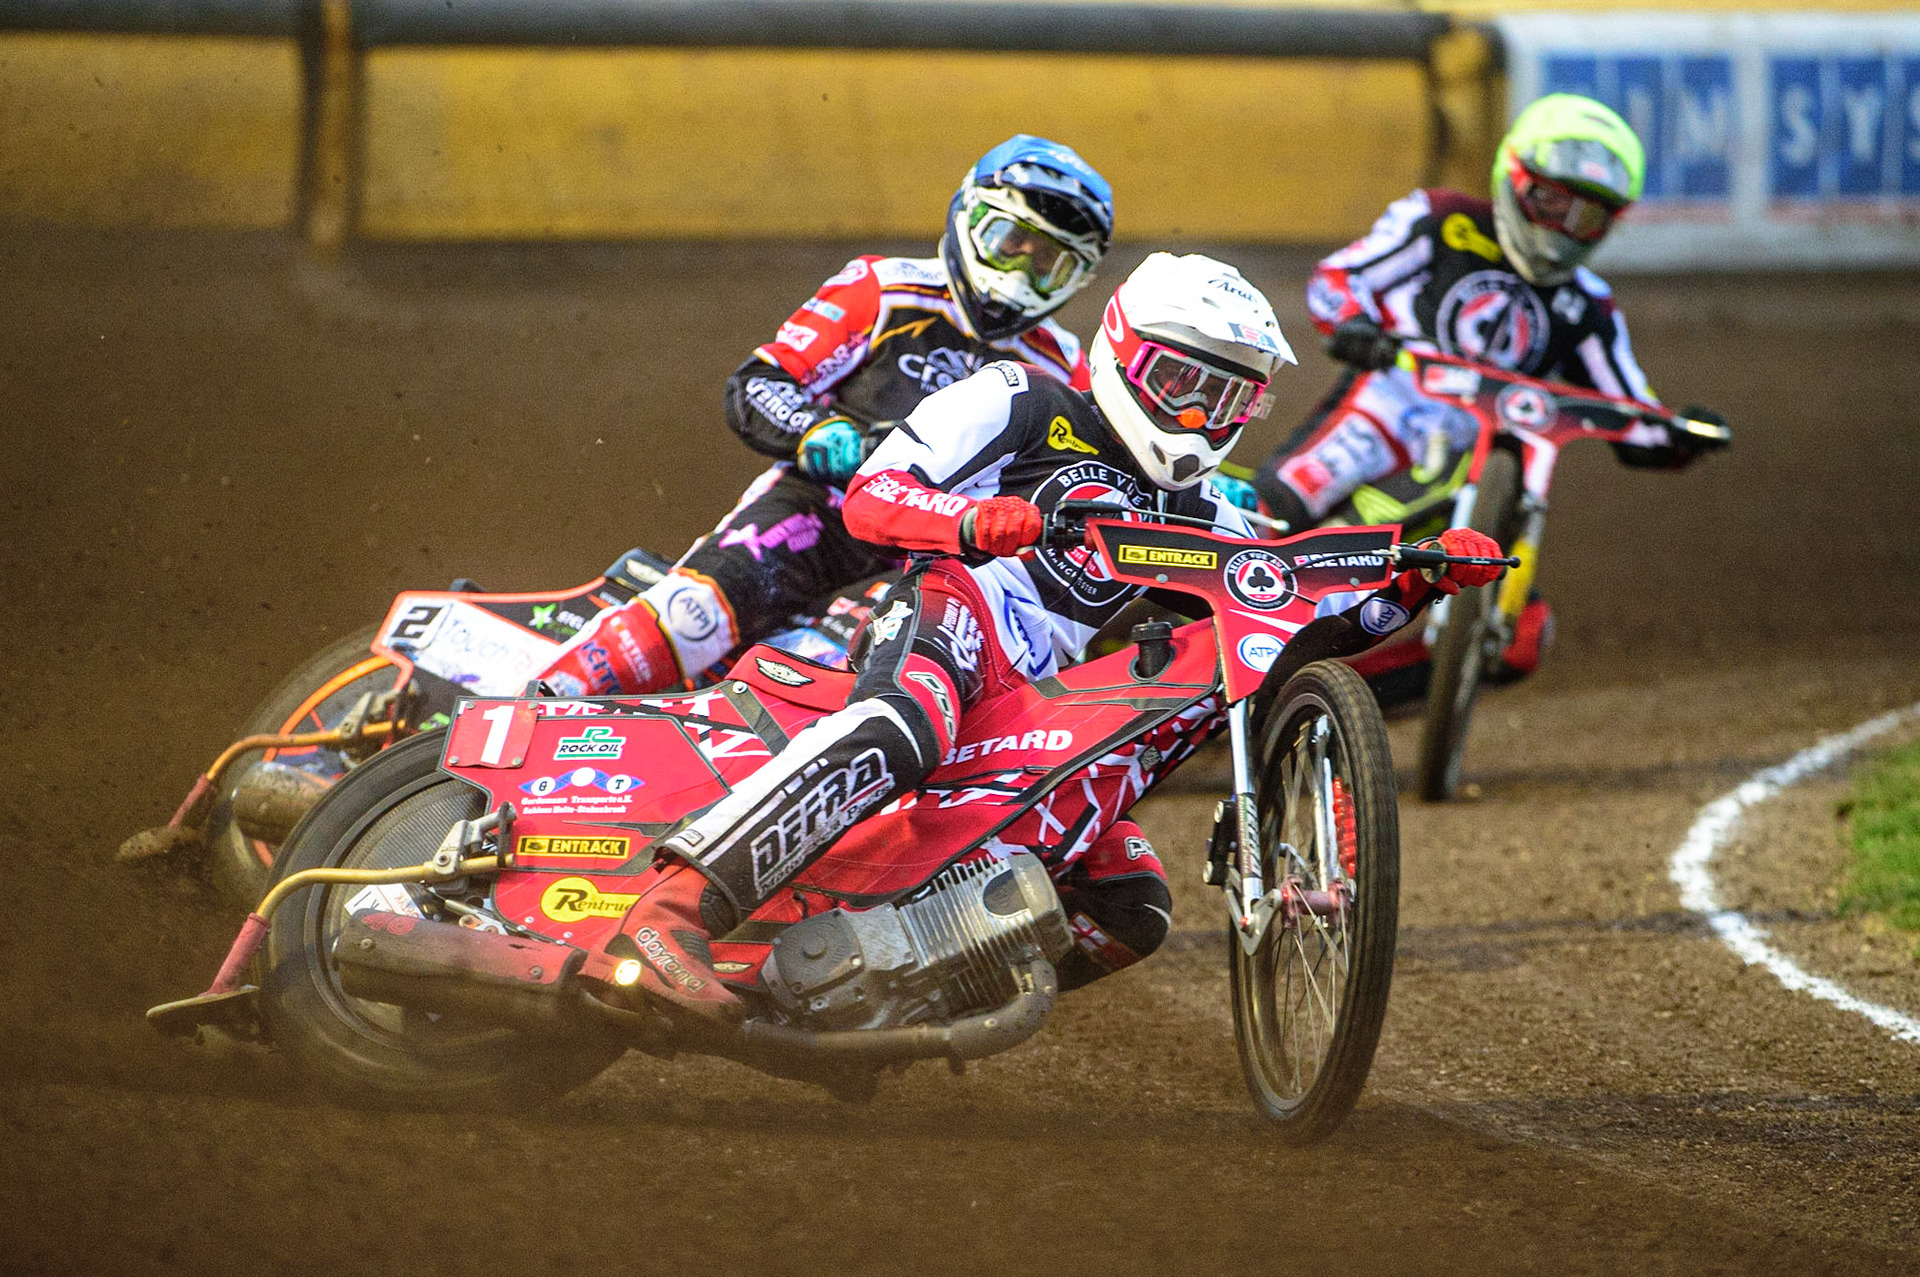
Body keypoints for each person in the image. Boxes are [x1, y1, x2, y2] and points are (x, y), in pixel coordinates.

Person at [603, 253, 1503, 1023]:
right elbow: (876, 494)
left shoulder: (1207, 510)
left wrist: (1413, 586)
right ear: (1121, 351)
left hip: (1042, 699)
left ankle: (866, 996)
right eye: (1181, 382)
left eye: (1225, 400)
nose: (1195, 417)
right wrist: (970, 522)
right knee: (904, 723)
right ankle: (673, 907)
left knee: (1132, 905)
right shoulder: (1023, 397)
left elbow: (1286, 629)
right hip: (954, 610)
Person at [536, 136, 1115, 698]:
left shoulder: (1064, 365)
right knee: (693, 613)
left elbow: (1090, 474)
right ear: (968, 217)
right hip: (825, 506)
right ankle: (528, 707)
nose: (1020, 273)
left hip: (938, 546)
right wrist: (816, 429)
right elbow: (759, 383)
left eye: (1050, 264)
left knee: (856, 676)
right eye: (1010, 241)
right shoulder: (884, 289)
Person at [1251, 94, 1716, 680]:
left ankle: (1312, 701)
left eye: (1587, 216)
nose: (1564, 228)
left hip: (1476, 466)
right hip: (1386, 409)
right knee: (1276, 514)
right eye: (1552, 201)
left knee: (1520, 638)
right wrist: (1353, 325)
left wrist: (1680, 433)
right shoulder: (1441, 220)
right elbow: (1338, 279)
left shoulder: (1589, 307)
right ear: (1514, 179)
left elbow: (1633, 411)